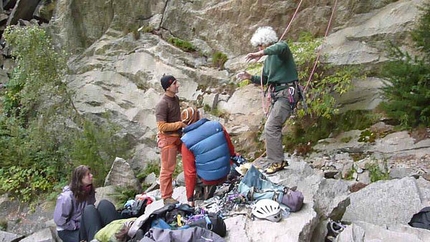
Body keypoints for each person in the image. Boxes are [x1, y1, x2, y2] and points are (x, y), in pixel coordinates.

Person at [237, 26, 300, 174]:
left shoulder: (281, 51)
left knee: (271, 126)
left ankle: (276, 161)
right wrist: (250, 77)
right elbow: (265, 80)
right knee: (272, 126)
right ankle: (276, 159)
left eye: (260, 45)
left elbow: (281, 46)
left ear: (267, 43)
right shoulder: (268, 62)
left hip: (287, 93)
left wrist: (261, 53)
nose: (259, 48)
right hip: (279, 95)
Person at [180, 107, 236, 207]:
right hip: (226, 172)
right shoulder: (217, 125)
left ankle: (201, 193)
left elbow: (190, 173)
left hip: (209, 179)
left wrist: (189, 198)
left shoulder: (186, 141)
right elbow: (231, 151)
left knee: (180, 178)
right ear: (199, 115)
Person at [155, 74, 186, 205]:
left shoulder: (175, 99)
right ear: (168, 87)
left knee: (191, 156)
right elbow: (161, 126)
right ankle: (166, 197)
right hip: (167, 139)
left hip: (179, 137)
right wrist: (180, 124)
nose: (177, 85)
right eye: (174, 83)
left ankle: (198, 183)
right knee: (168, 169)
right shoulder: (162, 104)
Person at [53, 165, 96, 242]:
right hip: (68, 230)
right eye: (88, 174)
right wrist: (77, 225)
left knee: (101, 207)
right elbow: (59, 221)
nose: (91, 176)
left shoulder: (89, 190)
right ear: (80, 178)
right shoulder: (67, 197)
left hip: (83, 224)